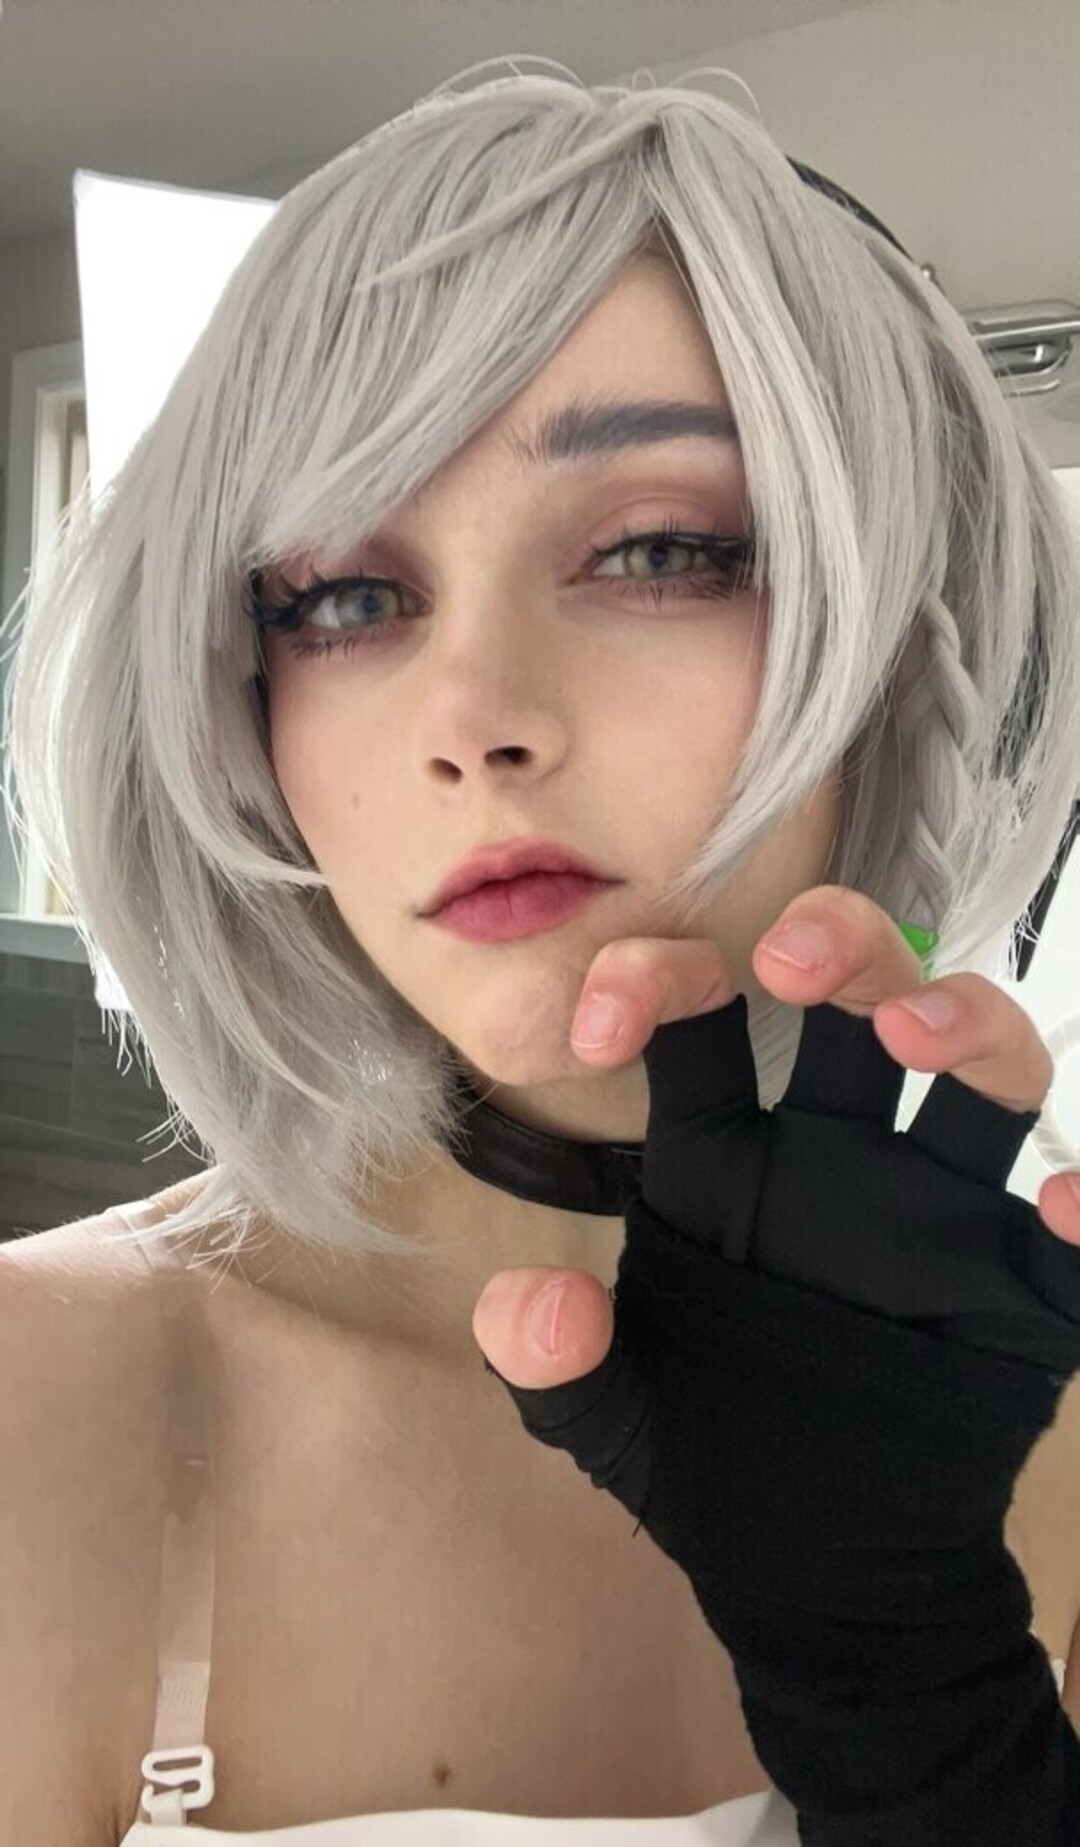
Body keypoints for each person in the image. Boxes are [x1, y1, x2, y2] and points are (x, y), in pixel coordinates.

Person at [3, 57, 1079, 1847]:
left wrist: (913, 1690)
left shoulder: (1034, 1405)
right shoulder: (40, 1410)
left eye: (657, 551)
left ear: (893, 640)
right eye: (347, 597)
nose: (472, 717)